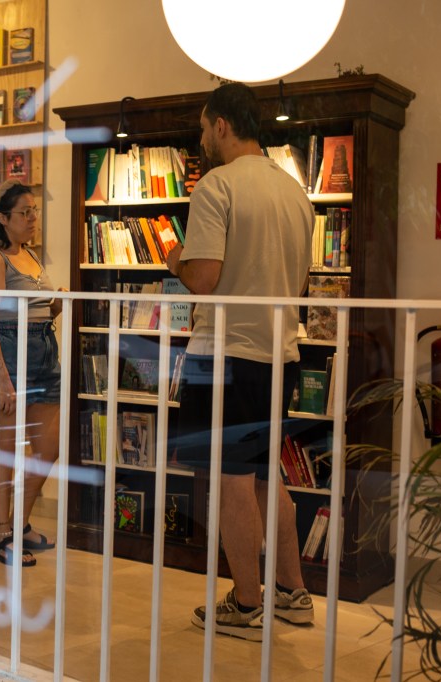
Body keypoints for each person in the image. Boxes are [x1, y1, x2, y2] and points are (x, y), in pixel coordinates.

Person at [166, 82, 315, 641]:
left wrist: (176, 261)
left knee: (230, 482)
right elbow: (301, 282)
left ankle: (247, 603)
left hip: (225, 356)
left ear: (222, 126)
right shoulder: (294, 192)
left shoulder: (217, 185)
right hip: (281, 353)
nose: (202, 138)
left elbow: (204, 278)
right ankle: (292, 593)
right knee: (265, 478)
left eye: (204, 128)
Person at [0, 179, 64, 567]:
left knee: (49, 448)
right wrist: (1, 378)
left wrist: (55, 306)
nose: (33, 218)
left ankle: (19, 524)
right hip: (6, 353)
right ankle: (0, 533)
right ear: (3, 218)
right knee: (4, 454)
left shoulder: (31, 255)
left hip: (42, 352)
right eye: (25, 212)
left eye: (34, 210)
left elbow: (38, 309)